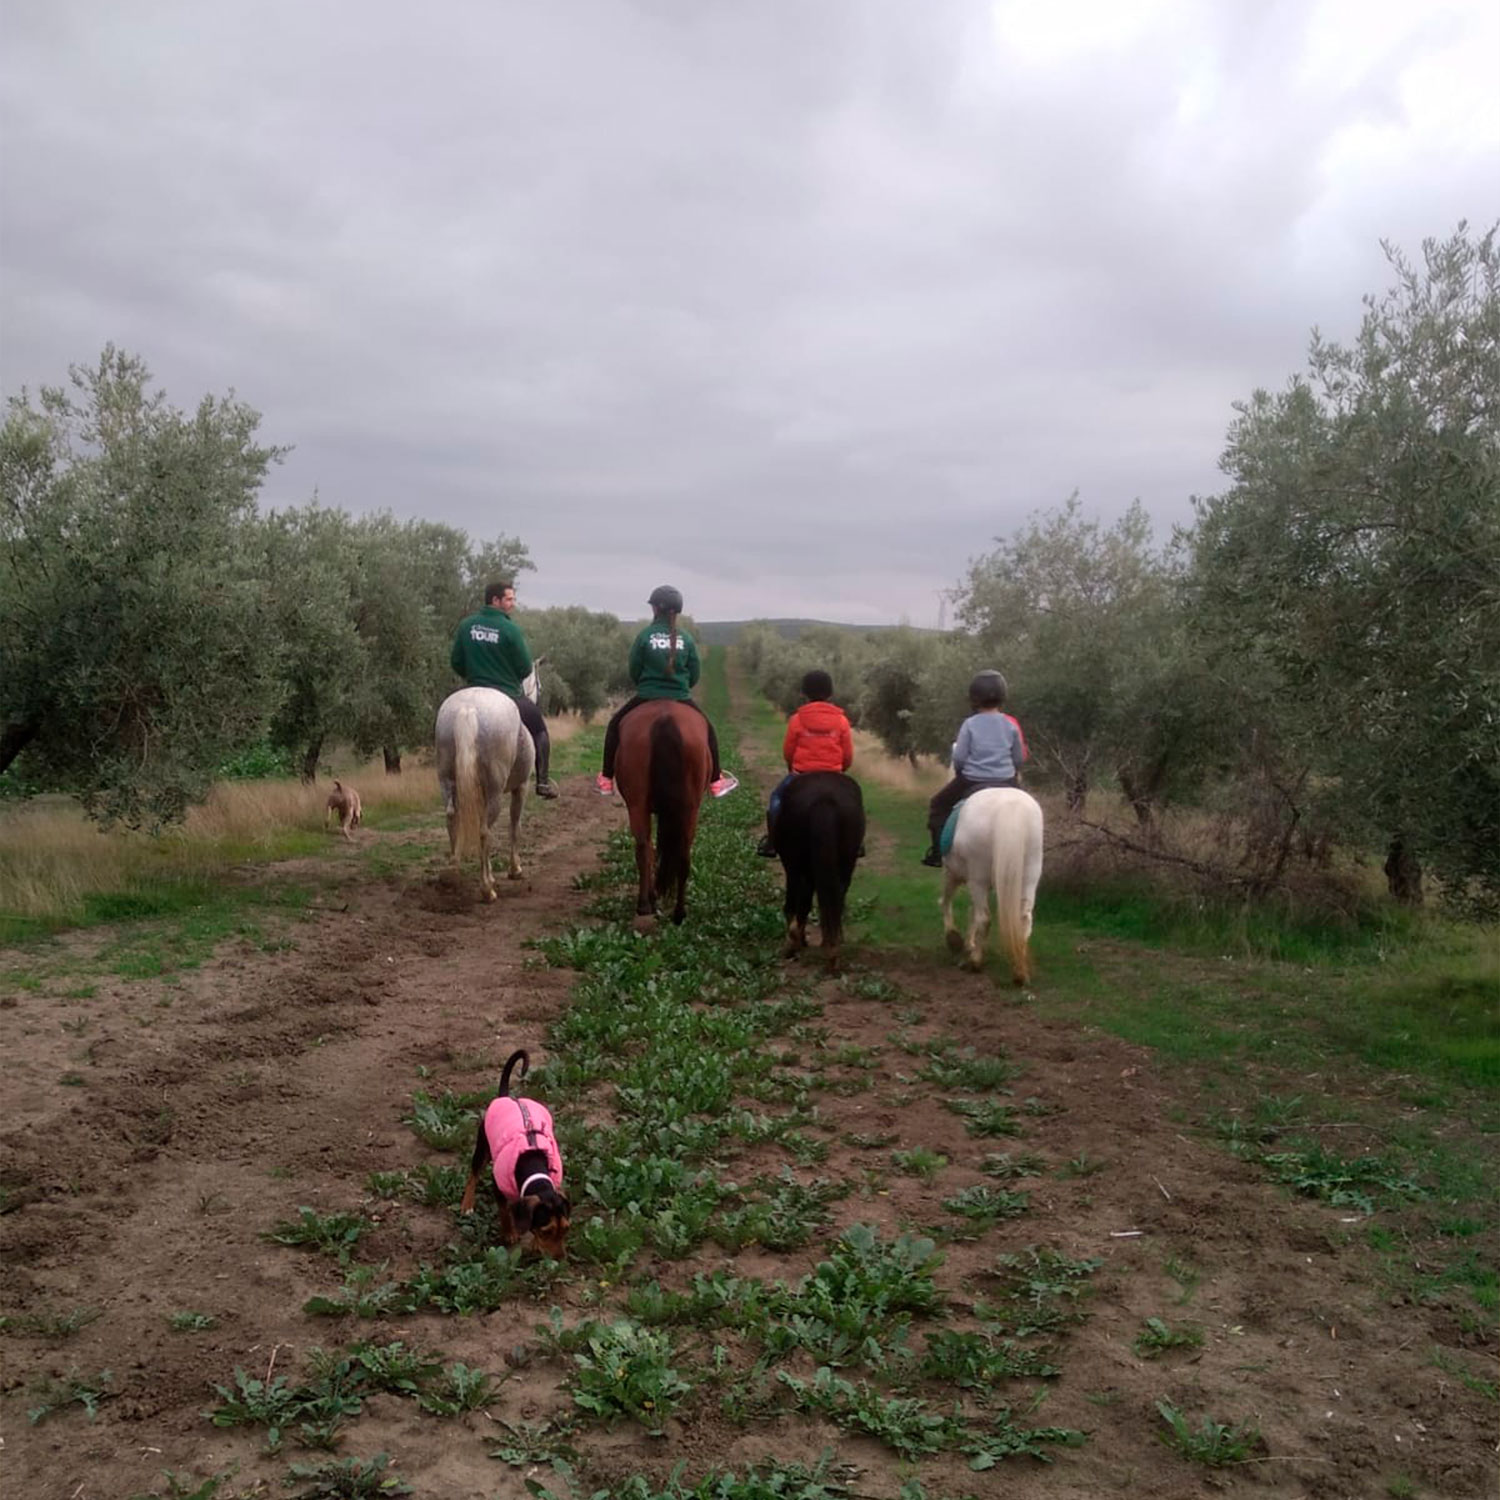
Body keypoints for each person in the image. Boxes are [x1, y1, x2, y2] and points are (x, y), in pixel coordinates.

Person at [595, 584, 738, 798]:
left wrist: (646, 686)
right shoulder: (687, 638)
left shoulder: (644, 636)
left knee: (615, 725)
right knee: (708, 731)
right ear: (677, 611)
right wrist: (680, 688)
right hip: (680, 696)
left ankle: (606, 778)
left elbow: (634, 668)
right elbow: (695, 672)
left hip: (646, 695)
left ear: (655, 608)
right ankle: (716, 781)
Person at [450, 580, 559, 798]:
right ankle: (543, 781)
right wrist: (507, 679)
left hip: (473, 688)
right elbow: (523, 667)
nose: (513, 604)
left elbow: (456, 662)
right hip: (507, 693)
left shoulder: (466, 625)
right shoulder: (510, 629)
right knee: (539, 729)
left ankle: (450, 781)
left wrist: (475, 676)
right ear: (495, 600)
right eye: (509, 599)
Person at [921, 669, 1027, 866]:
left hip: (973, 779)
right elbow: (1019, 759)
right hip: (1007, 780)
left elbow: (959, 757)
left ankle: (937, 854)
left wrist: (961, 771)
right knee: (1029, 809)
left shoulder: (969, 724)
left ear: (974, 698)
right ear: (1002, 696)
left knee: (937, 805)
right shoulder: (1010, 725)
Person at [756, 669, 854, 857]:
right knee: (854, 799)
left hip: (802, 774)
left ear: (804, 693)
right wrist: (841, 770)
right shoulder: (842, 721)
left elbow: (788, 752)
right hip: (833, 775)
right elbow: (848, 756)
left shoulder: (797, 719)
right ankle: (857, 843)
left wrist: (793, 768)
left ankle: (772, 842)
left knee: (776, 799)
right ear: (830, 693)